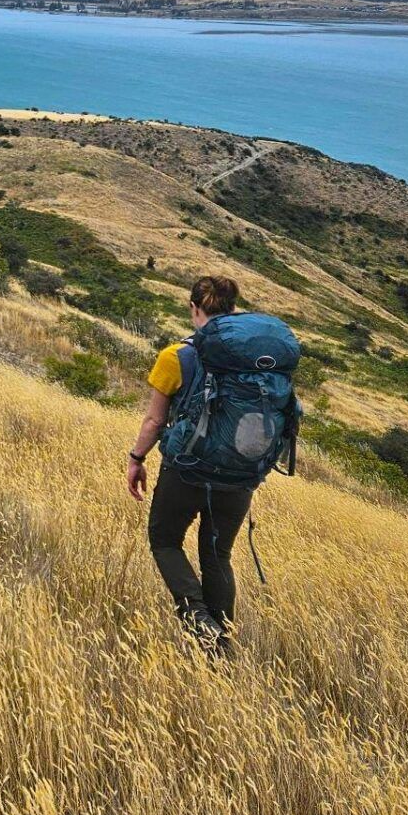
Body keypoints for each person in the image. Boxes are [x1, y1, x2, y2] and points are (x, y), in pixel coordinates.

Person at [125, 274, 297, 653]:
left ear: (193, 307)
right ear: (233, 308)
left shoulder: (176, 356)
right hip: (240, 478)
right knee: (217, 554)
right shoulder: (259, 362)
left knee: (165, 540)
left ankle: (197, 619)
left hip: (187, 470)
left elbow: (154, 421)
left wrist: (136, 459)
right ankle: (221, 651)